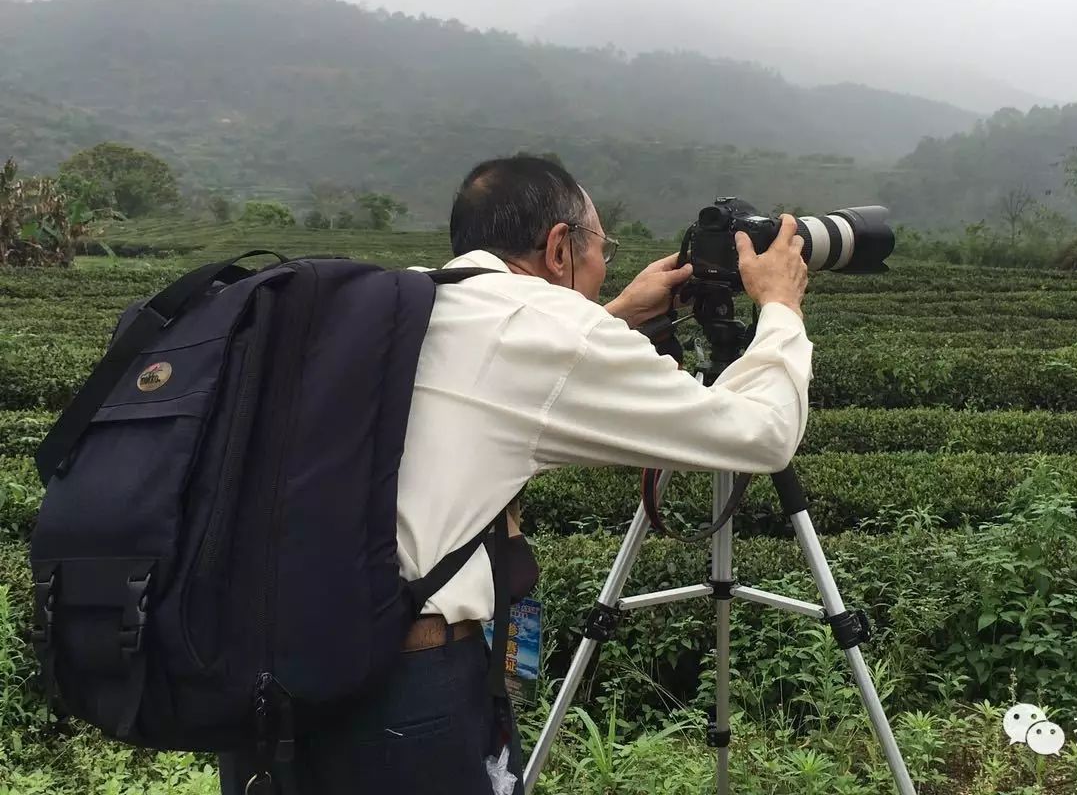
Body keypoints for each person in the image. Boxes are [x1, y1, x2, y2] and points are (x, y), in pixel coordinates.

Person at [218, 155, 812, 794]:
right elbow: (764, 433)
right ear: (560, 247)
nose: (605, 264)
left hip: (266, 676)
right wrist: (779, 305)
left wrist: (611, 313)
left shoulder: (401, 298)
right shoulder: (551, 328)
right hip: (401, 696)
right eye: (600, 247)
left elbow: (489, 381)